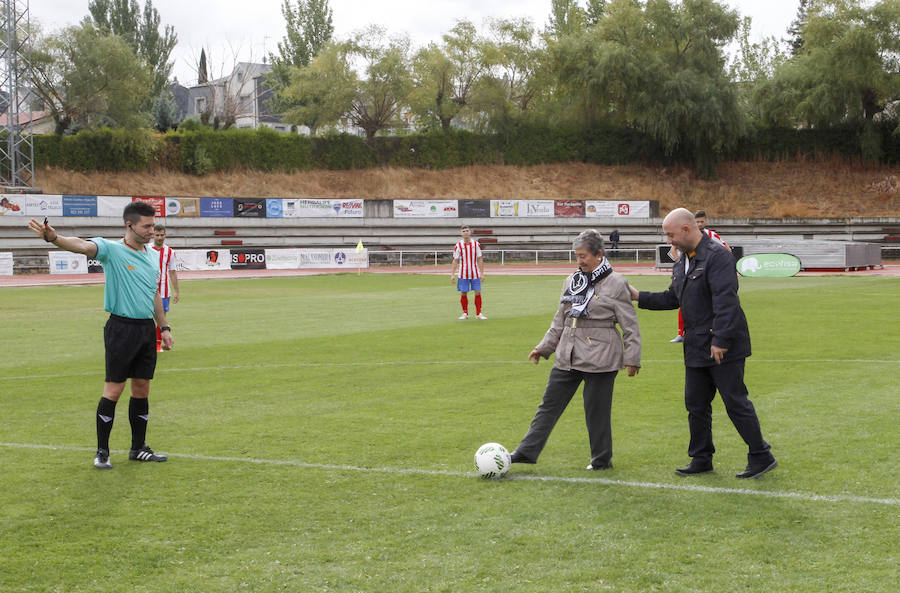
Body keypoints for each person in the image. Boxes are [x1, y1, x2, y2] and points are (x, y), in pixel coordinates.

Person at [629, 208, 777, 479]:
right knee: (695, 404)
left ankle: (761, 455)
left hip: (724, 346)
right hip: (696, 345)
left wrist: (720, 340)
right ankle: (701, 457)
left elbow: (726, 300)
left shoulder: (718, 256)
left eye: (671, 235)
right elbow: (674, 298)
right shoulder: (682, 261)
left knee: (735, 401)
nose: (668, 241)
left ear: (686, 229)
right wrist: (638, 296)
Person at [27, 202, 174, 469]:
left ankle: (138, 448)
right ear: (129, 225)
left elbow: (154, 294)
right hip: (120, 328)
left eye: (153, 225)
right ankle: (102, 452)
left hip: (145, 330)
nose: (152, 231)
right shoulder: (112, 249)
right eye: (147, 226)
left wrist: (163, 327)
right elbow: (83, 246)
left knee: (142, 389)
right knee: (114, 390)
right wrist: (55, 238)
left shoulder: (152, 255)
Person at [510, 229, 641, 470]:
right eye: (576, 255)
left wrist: (632, 358)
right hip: (567, 353)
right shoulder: (571, 281)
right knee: (548, 406)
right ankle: (526, 451)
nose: (579, 261)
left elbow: (629, 324)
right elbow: (559, 319)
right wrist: (544, 347)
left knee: (596, 412)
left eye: (583, 256)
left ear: (599, 255)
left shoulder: (616, 283)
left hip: (601, 357)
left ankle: (601, 460)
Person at [670, 210, 729, 343]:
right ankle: (681, 333)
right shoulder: (687, 238)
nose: (700, 224)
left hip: (704, 274)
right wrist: (679, 263)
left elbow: (727, 249)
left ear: (706, 221)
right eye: (697, 221)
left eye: (702, 221)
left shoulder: (711, 235)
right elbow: (673, 250)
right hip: (689, 273)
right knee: (683, 303)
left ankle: (712, 331)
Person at [151, 224, 180, 352]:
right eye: (157, 235)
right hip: (147, 291)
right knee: (146, 319)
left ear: (165, 235)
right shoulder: (146, 249)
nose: (160, 237)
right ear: (153, 235)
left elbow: (172, 272)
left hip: (164, 292)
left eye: (162, 235)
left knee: (161, 319)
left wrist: (176, 291)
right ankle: (147, 344)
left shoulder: (170, 252)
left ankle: (157, 345)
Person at [451, 225, 486, 320]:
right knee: (463, 293)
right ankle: (465, 313)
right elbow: (455, 260)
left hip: (475, 273)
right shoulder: (458, 246)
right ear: (461, 234)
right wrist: (453, 274)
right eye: (464, 231)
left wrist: (482, 273)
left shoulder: (476, 244)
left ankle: (479, 313)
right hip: (463, 274)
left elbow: (480, 259)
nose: (466, 232)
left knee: (478, 292)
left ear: (470, 232)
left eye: (467, 230)